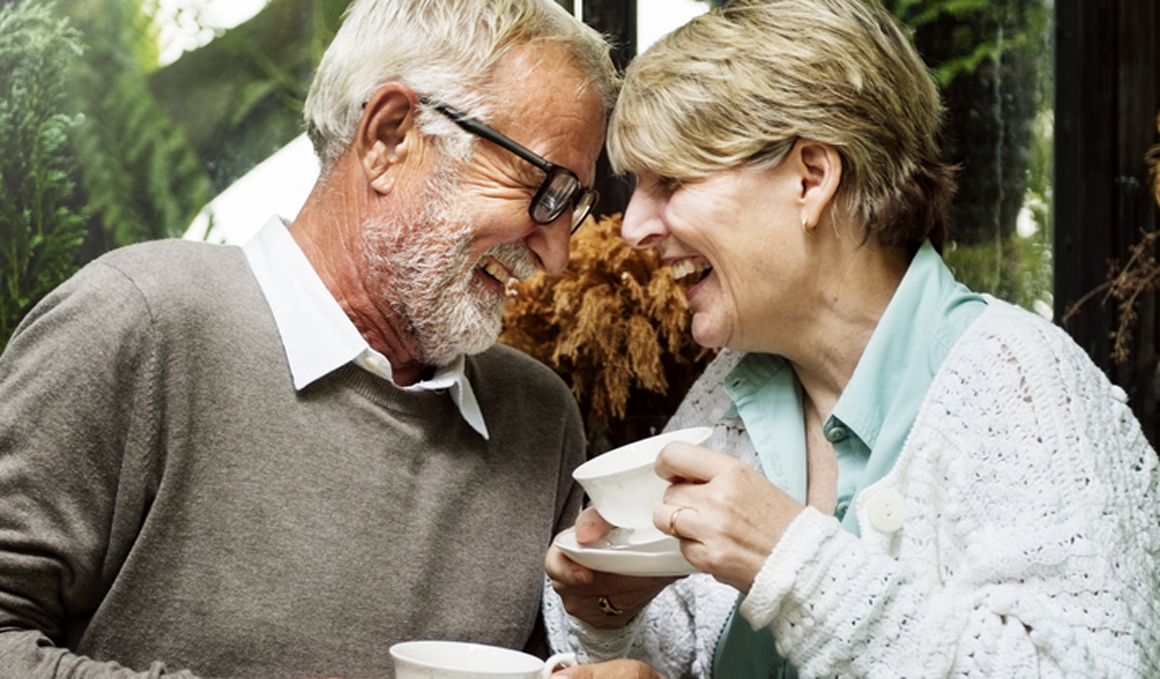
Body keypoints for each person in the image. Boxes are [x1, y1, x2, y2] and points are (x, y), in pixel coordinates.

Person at [543, 0, 1160, 677]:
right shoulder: (730, 389)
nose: (633, 226)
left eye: (672, 181)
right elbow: (689, 649)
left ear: (811, 177)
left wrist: (793, 562)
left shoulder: (1022, 384)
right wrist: (611, 615)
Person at [0, 0, 617, 677]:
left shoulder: (540, 419)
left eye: (574, 206)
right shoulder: (135, 323)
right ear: (390, 138)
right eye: (544, 188)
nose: (556, 255)